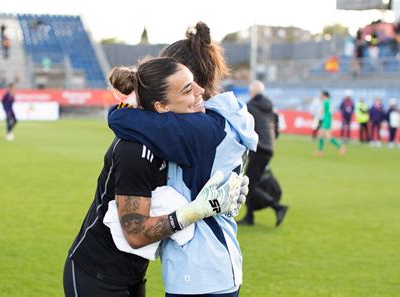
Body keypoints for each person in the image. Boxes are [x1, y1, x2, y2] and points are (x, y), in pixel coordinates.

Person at [63, 57, 243, 297]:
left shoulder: (168, 138)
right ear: (161, 106)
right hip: (95, 275)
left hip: (133, 274)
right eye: (188, 89)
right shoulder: (135, 149)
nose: (201, 92)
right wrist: (197, 210)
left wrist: (233, 188)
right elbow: (136, 233)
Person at [107, 22, 258, 296]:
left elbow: (120, 117)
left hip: (198, 267)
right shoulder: (224, 119)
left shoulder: (199, 130)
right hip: (219, 260)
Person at [237, 80, 288, 227]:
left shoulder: (250, 107)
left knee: (249, 185)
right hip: (269, 149)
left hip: (258, 148)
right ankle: (250, 217)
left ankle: (277, 207)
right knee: (251, 183)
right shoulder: (270, 108)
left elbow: (244, 127)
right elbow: (276, 131)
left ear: (251, 93)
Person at [314, 90, 346, 156]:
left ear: (324, 95)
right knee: (321, 135)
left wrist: (318, 114)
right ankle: (320, 151)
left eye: (321, 95)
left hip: (326, 120)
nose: (321, 96)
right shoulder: (328, 102)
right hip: (326, 120)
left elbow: (323, 111)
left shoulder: (326, 102)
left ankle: (340, 147)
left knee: (328, 136)